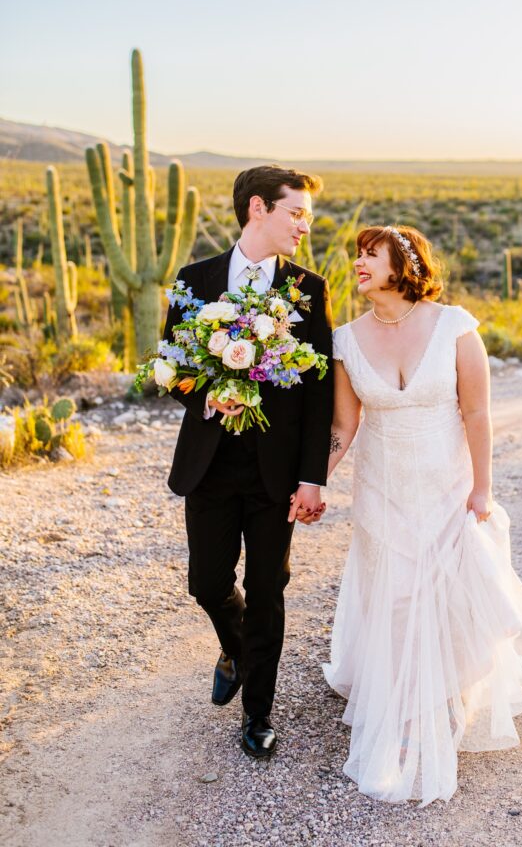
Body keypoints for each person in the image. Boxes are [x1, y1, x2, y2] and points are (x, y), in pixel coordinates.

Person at [322, 224, 522, 806]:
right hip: (383, 487)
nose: (359, 262)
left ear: (405, 263)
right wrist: (312, 479)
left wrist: (482, 489)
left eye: (371, 254)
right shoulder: (345, 339)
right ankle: (404, 717)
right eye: (358, 255)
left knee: (448, 589)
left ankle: (445, 690)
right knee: (395, 596)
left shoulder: (454, 326)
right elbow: (344, 428)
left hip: (447, 484)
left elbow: (477, 413)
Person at [164, 164, 332, 759]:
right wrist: (208, 390)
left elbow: (318, 395)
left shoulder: (308, 289)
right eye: (296, 212)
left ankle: (258, 712)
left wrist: (313, 477)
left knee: (268, 588)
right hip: (208, 464)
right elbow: (171, 371)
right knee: (207, 582)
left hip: (275, 474)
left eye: (307, 216)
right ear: (258, 208)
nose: (304, 226)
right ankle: (235, 648)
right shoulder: (195, 279)